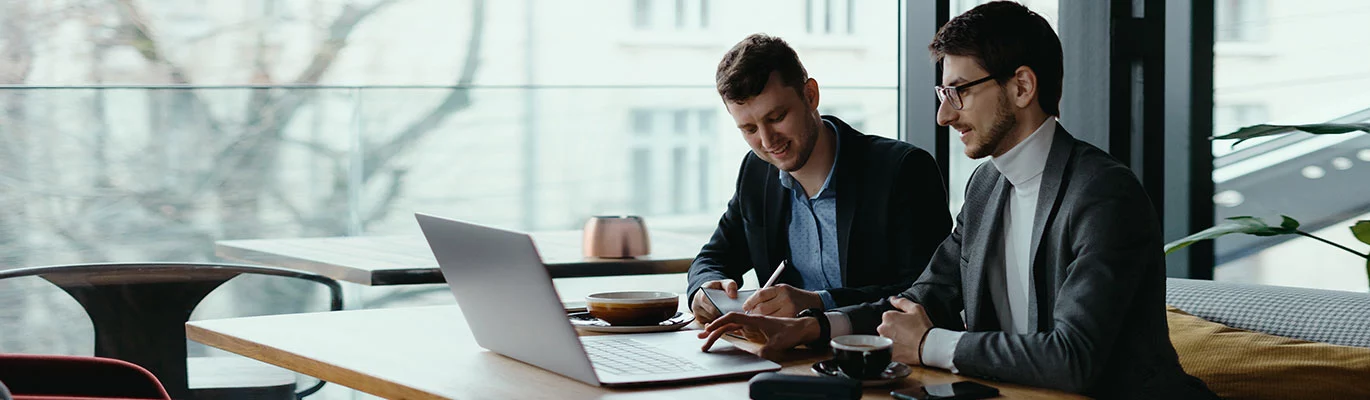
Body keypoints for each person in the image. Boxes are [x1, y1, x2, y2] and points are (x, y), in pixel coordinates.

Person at [698, 3, 1217, 398]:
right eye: (941, 96)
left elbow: (1074, 358)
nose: (945, 116)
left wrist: (927, 345)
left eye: (959, 92)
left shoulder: (1103, 192)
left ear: (1021, 86)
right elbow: (921, 297)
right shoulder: (988, 186)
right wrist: (807, 328)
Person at [687, 34, 952, 324]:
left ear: (810, 95)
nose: (766, 141)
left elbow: (926, 293)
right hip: (788, 356)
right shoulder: (756, 171)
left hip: (881, 356)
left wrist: (819, 303)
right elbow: (713, 257)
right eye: (749, 128)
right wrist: (705, 289)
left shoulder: (904, 170)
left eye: (776, 117)